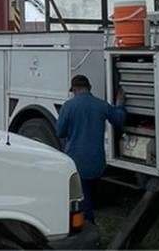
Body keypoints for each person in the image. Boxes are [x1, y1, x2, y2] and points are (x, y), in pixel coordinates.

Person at [54, 74, 126, 226]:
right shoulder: (101, 104)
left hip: (76, 161)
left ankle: (87, 225)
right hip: (97, 162)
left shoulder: (69, 106)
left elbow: (60, 132)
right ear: (90, 88)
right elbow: (119, 119)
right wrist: (120, 103)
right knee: (88, 192)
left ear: (74, 88)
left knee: (81, 195)